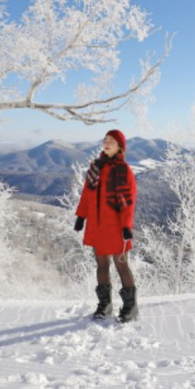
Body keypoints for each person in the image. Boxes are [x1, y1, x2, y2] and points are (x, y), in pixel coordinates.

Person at [74, 129, 138, 322]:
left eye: (112, 140)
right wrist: (81, 216)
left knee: (121, 264)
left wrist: (126, 226)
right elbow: (87, 194)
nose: (107, 143)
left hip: (116, 227)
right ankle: (105, 305)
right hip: (96, 225)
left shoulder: (123, 170)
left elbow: (129, 201)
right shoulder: (95, 167)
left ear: (120, 146)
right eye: (105, 140)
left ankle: (130, 307)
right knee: (101, 264)